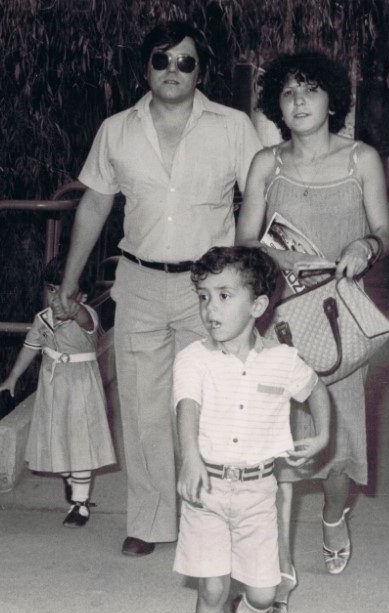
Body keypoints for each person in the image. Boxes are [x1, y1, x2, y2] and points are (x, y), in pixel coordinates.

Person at [57, 21, 263, 557]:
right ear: (144, 67)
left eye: (186, 62)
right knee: (145, 407)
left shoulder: (233, 127)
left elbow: (261, 196)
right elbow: (96, 205)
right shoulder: (116, 130)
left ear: (202, 72)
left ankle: (215, 519)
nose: (173, 70)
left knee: (215, 405)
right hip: (140, 283)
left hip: (211, 288)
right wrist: (70, 281)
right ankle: (150, 522)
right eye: (162, 59)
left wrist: (245, 272)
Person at [236, 50, 389, 613]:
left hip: (336, 322)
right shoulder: (266, 164)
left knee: (338, 448)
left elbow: (385, 232)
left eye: (310, 90)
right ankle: (278, 567)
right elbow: (244, 240)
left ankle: (333, 516)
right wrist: (274, 254)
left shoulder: (362, 160)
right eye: (287, 93)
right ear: (276, 105)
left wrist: (365, 247)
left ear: (332, 100)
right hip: (279, 321)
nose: (299, 101)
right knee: (275, 446)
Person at [173, 246, 330, 613]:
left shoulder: (282, 360)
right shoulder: (193, 358)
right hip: (208, 490)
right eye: (203, 296)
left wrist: (322, 433)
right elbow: (186, 410)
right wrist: (189, 460)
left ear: (258, 305)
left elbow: (317, 390)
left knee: (264, 593)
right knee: (213, 589)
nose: (209, 308)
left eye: (223, 296)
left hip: (260, 492)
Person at [0, 257, 116, 528]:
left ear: (81, 295)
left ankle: (80, 504)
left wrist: (74, 309)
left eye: (65, 293)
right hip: (53, 386)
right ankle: (73, 486)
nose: (56, 299)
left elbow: (83, 319)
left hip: (81, 387)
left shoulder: (86, 316)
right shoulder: (41, 319)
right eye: (51, 290)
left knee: (81, 442)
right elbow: (30, 347)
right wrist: (12, 378)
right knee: (58, 439)